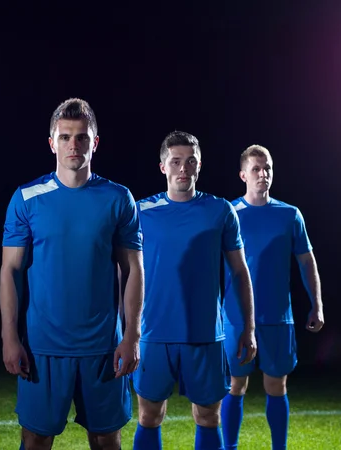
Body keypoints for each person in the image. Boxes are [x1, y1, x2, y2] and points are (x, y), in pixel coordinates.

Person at [0, 98, 144, 450]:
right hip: (42, 347)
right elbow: (10, 270)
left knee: (107, 440)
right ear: (52, 142)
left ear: (95, 142)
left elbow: (133, 269)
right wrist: (9, 336)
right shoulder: (27, 197)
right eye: (65, 137)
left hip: (102, 347)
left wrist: (132, 335)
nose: (73, 145)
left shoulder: (119, 198)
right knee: (35, 440)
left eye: (81, 137)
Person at [132, 131, 258, 450]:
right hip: (153, 333)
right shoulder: (140, 211)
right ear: (163, 166)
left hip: (205, 334)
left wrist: (249, 328)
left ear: (200, 165)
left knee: (207, 417)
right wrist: (124, 329)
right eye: (175, 162)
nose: (183, 169)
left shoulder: (220, 211)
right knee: (148, 416)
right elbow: (126, 274)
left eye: (190, 161)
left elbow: (240, 272)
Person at [221, 145, 325, 450]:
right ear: (243, 175)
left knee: (276, 386)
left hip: (278, 317)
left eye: (267, 168)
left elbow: (307, 262)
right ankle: (230, 448)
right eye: (256, 169)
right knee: (235, 386)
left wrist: (317, 304)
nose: (263, 174)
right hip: (236, 318)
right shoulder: (229, 214)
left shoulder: (290, 215)